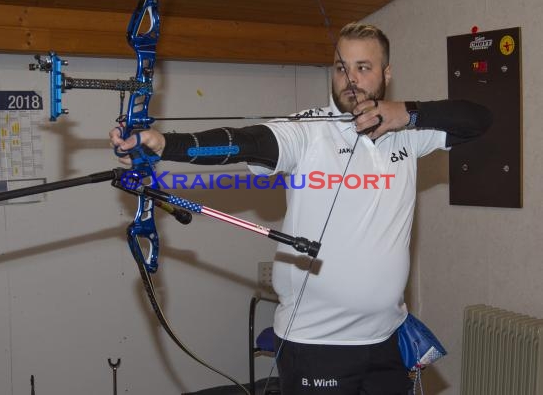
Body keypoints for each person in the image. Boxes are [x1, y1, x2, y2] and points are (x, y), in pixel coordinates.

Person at [110, 23, 491, 394]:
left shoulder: (410, 132)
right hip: (315, 345)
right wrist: (164, 144)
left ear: (386, 73)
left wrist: (407, 113)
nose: (351, 79)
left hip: (388, 339)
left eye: (364, 67)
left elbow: (479, 119)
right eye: (342, 67)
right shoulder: (306, 131)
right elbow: (246, 142)